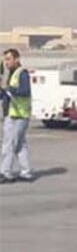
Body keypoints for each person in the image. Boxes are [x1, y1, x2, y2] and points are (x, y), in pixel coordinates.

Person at [0, 48, 33, 184]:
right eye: (5, 60)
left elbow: (24, 92)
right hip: (11, 113)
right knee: (20, 144)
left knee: (9, 144)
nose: (6, 62)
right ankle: (26, 172)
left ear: (17, 59)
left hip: (19, 115)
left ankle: (5, 172)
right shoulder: (12, 74)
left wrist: (7, 88)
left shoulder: (22, 73)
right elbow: (6, 96)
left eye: (8, 59)